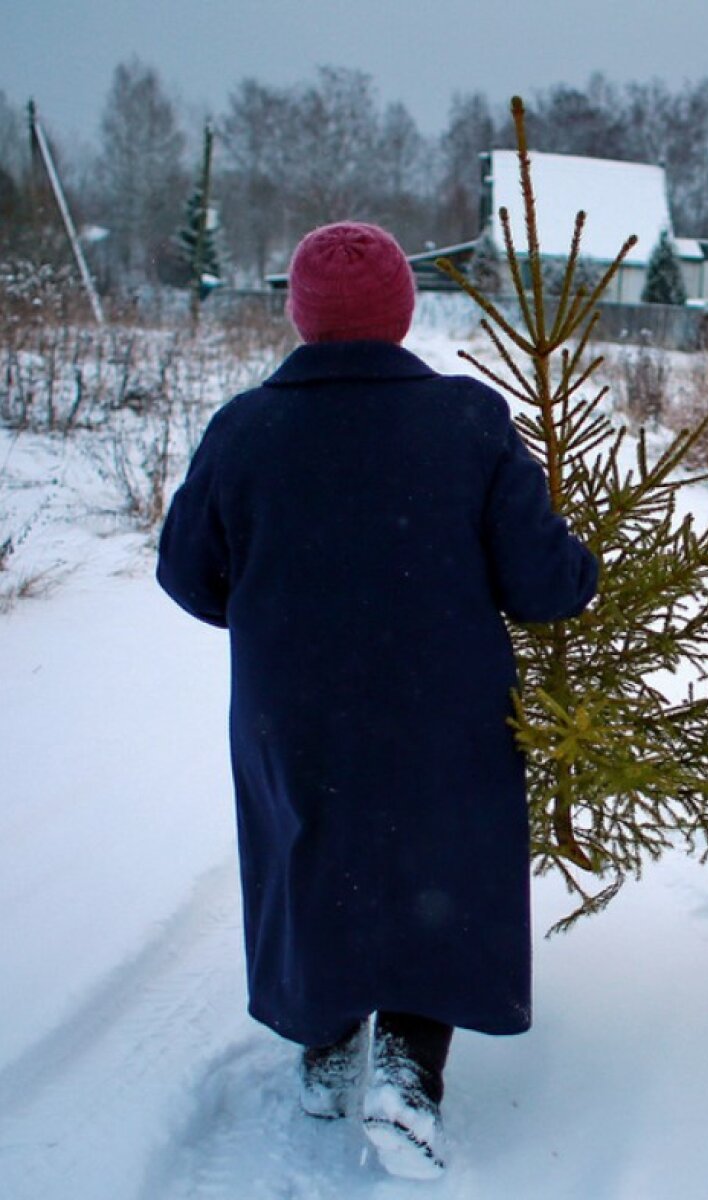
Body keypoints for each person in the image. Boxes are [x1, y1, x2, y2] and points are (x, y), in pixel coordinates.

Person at [157, 221, 598, 1180]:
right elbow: (543, 585)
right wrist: (578, 564)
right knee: (438, 872)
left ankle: (325, 1052)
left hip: (294, 708)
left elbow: (188, 575)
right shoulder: (469, 421)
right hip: (444, 708)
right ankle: (407, 1073)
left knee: (310, 852)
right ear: (401, 314)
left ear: (300, 317)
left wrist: (277, 614)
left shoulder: (245, 427)